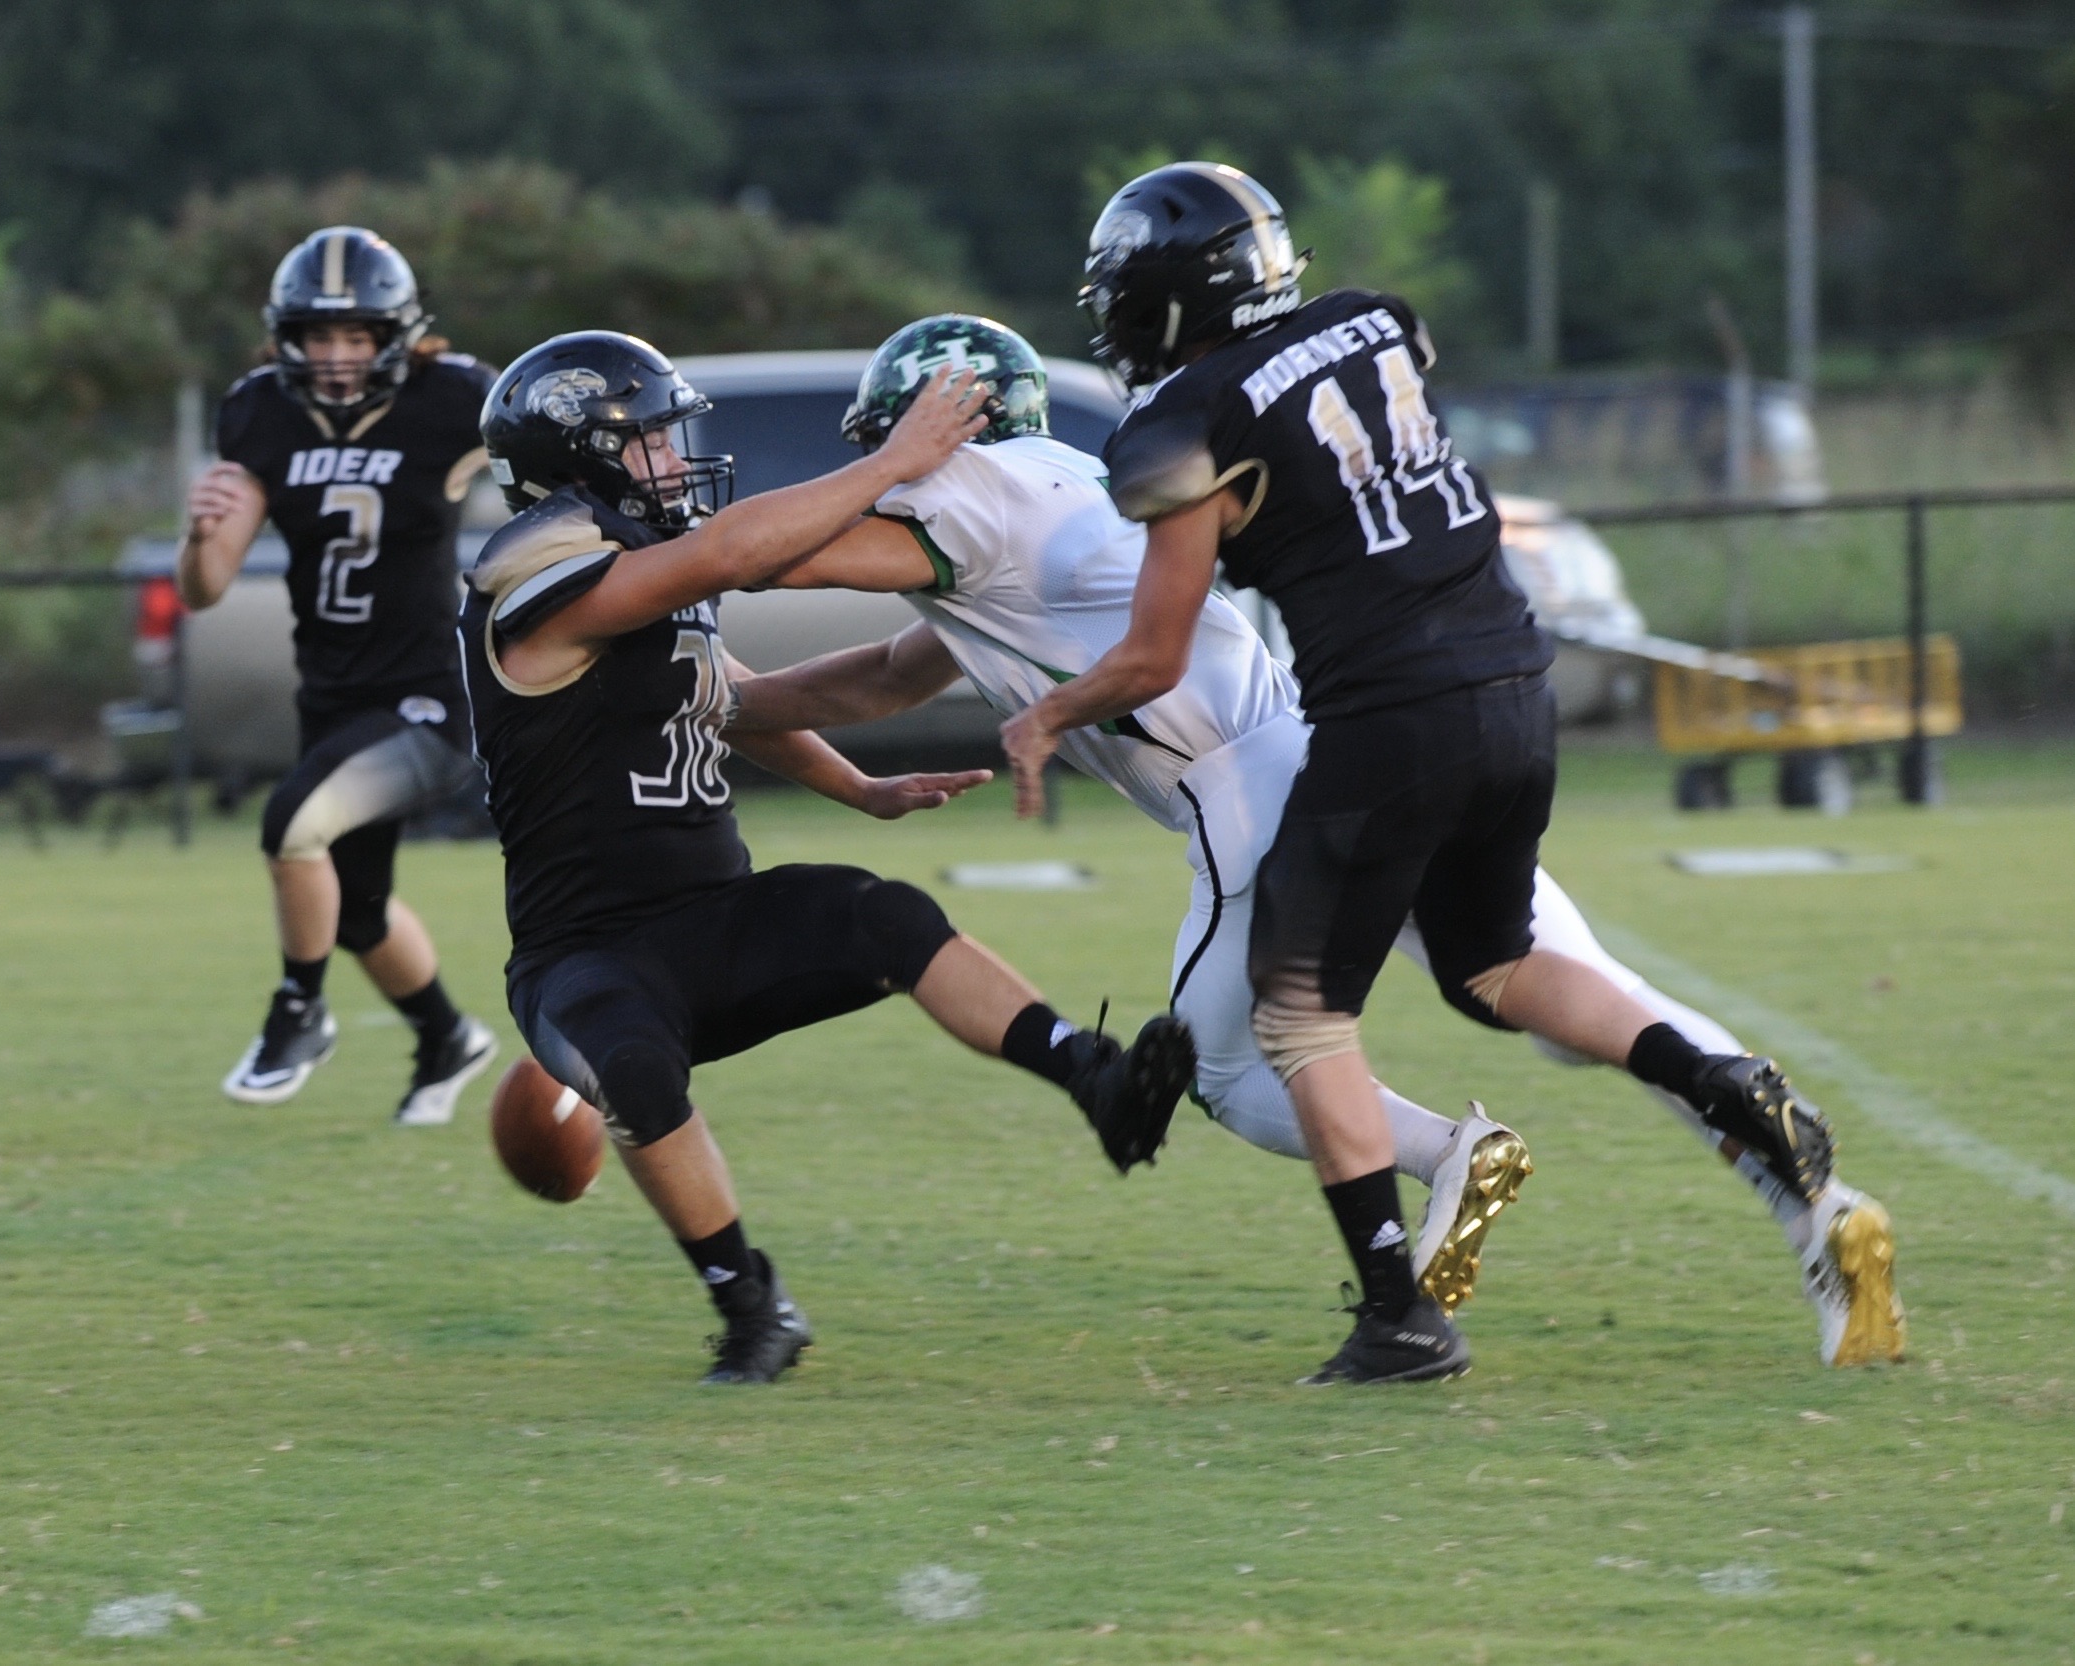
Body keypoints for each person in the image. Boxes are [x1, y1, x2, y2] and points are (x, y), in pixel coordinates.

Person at [723, 312, 1905, 1374]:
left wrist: (850, 481)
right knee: (1565, 988)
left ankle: (1445, 1173)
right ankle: (1815, 1202)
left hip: (1250, 791)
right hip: (1354, 741)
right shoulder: (1062, 481)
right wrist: (728, 706)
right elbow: (886, 676)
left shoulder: (960, 492)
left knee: (1238, 1065)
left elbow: (770, 555)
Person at [990, 164, 1897, 1384]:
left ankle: (1396, 1319)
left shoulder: (1181, 422)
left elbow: (1154, 654)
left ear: (1163, 296)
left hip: (1388, 716)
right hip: (1517, 681)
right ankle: (1726, 1085)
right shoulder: (1375, 317)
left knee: (1299, 1014)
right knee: (1494, 962)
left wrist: (1046, 714)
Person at [460, 329, 1195, 1386]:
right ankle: (751, 1307)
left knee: (881, 917)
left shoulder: (643, 575)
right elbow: (729, 555)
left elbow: (748, 703)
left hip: (713, 918)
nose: (677, 460)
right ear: (582, 455)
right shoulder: (533, 578)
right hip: (588, 956)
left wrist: (860, 782)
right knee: (631, 1061)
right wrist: (892, 464)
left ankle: (1099, 1080)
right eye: (654, 442)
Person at [179, 226, 498, 1124]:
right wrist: (201, 536)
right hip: (330, 698)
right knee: (355, 913)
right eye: (319, 336)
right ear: (286, 337)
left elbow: (547, 478)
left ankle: (298, 1012)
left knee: (291, 825)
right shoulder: (257, 412)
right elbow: (204, 589)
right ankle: (447, 1038)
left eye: (357, 335)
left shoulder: (455, 398)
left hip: (431, 702)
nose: (336, 355)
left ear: (397, 335)